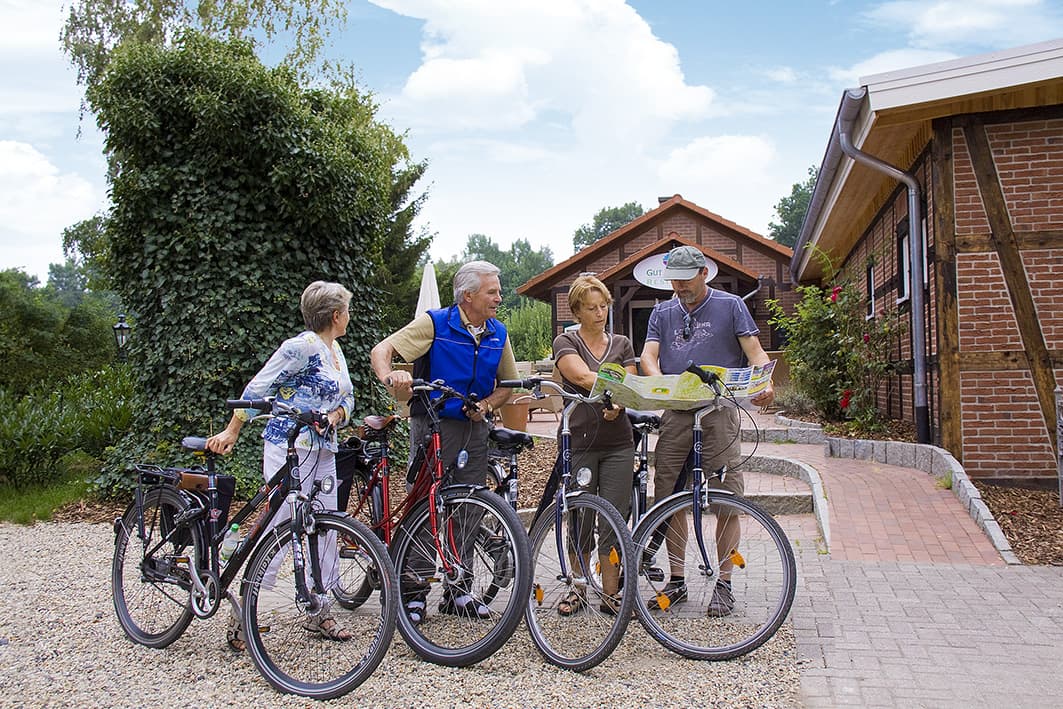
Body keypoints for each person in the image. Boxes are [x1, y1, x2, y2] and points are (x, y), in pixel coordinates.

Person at [206, 280, 356, 650]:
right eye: (347, 311)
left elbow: (349, 397)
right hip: (289, 447)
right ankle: (243, 614)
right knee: (280, 528)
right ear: (335, 315)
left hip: (323, 450)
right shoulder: (300, 347)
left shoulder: (335, 349)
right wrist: (232, 430)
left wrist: (338, 414)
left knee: (323, 527)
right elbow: (257, 390)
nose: (349, 316)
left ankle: (319, 609)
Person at [370, 260, 518, 623]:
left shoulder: (498, 332)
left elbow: (508, 387)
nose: (499, 297)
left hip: (474, 429)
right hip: (432, 425)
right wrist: (392, 378)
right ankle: (413, 591)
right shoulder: (435, 323)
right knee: (425, 504)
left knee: (468, 509)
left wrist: (485, 404)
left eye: (498, 291)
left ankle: (459, 591)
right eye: (492, 291)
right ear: (467, 295)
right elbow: (381, 351)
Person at [640, 245, 775, 617]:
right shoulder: (662, 311)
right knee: (668, 494)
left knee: (726, 496)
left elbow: (755, 352)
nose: (679, 287)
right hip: (677, 411)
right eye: (674, 281)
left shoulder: (731, 305)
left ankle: (725, 582)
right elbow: (649, 355)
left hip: (720, 410)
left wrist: (765, 382)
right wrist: (660, 381)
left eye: (685, 281)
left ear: (703, 273)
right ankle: (678, 580)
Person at [552, 275, 638, 616]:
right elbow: (580, 376)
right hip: (582, 442)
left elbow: (631, 382)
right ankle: (578, 587)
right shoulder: (566, 341)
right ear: (577, 310)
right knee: (581, 517)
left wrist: (620, 402)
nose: (600, 313)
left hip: (619, 443)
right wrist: (613, 391)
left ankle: (611, 593)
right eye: (591, 307)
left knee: (615, 519)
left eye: (603, 306)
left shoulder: (622, 343)